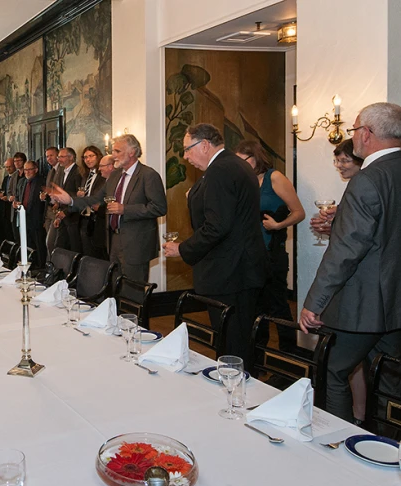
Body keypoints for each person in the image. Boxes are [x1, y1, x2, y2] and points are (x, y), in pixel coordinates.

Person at [300, 102, 401, 423]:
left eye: (354, 129)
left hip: (363, 304)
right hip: (396, 302)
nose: (353, 136)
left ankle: (336, 448)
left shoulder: (367, 180)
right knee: (388, 382)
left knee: (332, 371)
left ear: (367, 134)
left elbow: (345, 252)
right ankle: (385, 449)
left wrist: (315, 302)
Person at [162, 124, 266, 365]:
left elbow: (217, 226)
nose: (186, 157)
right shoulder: (233, 165)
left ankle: (236, 394)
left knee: (233, 345)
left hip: (230, 271)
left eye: (188, 149)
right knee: (239, 341)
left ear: (205, 145)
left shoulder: (221, 170)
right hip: (241, 268)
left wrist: (183, 248)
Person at [52, 134, 167, 282]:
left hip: (136, 243)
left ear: (131, 152)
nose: (113, 156)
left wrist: (124, 209)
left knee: (133, 291)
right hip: (114, 240)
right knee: (115, 286)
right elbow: (95, 198)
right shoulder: (115, 176)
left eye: (117, 151)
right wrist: (70, 200)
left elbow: (159, 208)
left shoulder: (148, 175)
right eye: (113, 151)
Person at [234, 140, 305, 350]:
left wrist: (278, 225)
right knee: (256, 308)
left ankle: (289, 356)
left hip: (272, 253)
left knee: (278, 306)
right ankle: (258, 356)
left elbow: (299, 212)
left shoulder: (274, 177)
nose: (241, 166)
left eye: (244, 160)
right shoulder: (243, 181)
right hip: (250, 254)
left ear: (256, 158)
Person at [309, 139, 364, 236]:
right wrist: (339, 213)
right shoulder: (356, 182)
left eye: (345, 161)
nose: (338, 165)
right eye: (337, 160)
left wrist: (336, 229)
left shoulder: (364, 185)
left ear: (360, 161)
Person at [78, 146, 108, 259]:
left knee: (98, 254)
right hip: (85, 217)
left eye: (91, 156)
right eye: (85, 157)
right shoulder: (85, 175)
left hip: (98, 219)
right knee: (87, 253)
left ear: (98, 156)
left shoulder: (103, 176)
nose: (88, 160)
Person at [52, 147, 84, 254]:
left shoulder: (78, 172)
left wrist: (65, 212)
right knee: (60, 247)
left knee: (74, 249)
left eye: (61, 156)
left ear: (71, 157)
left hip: (73, 216)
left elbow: (78, 196)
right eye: (58, 156)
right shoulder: (61, 171)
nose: (59, 159)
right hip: (63, 216)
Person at [0, 158, 20, 241]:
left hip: (15, 207)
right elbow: (4, 191)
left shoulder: (18, 177)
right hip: (6, 208)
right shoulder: (5, 178)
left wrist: (8, 198)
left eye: (10, 167)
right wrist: (2, 196)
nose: (8, 169)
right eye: (6, 167)